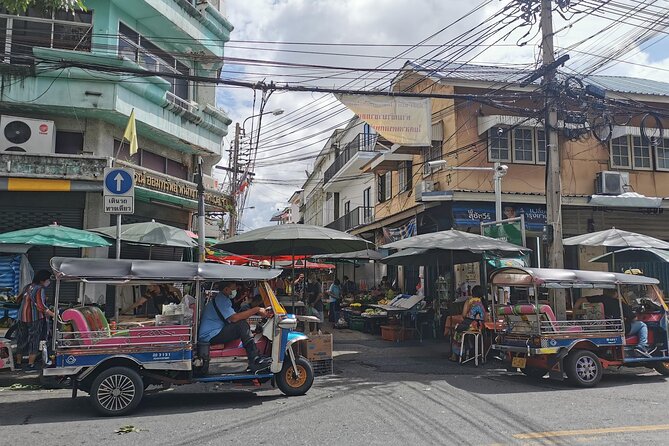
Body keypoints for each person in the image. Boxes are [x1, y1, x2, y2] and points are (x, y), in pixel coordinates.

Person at [198, 281, 271, 371]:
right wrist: (256, 309)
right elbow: (234, 318)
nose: (235, 289)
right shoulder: (221, 300)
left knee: (243, 325)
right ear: (226, 289)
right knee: (241, 325)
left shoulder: (223, 299)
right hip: (210, 335)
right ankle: (255, 359)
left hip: (214, 332)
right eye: (233, 288)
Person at [574, 289, 653, 357]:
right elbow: (634, 318)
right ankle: (642, 346)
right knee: (642, 325)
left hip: (600, 328)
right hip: (618, 328)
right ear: (615, 293)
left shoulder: (599, 299)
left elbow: (581, 300)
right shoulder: (619, 303)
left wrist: (574, 312)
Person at [15, 270, 55, 373]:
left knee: (21, 339)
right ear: (42, 280)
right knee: (34, 340)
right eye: (47, 280)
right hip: (35, 318)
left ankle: (18, 364)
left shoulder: (28, 286)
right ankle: (30, 365)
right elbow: (41, 306)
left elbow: (18, 299)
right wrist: (54, 314)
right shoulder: (39, 289)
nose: (48, 282)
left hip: (21, 318)